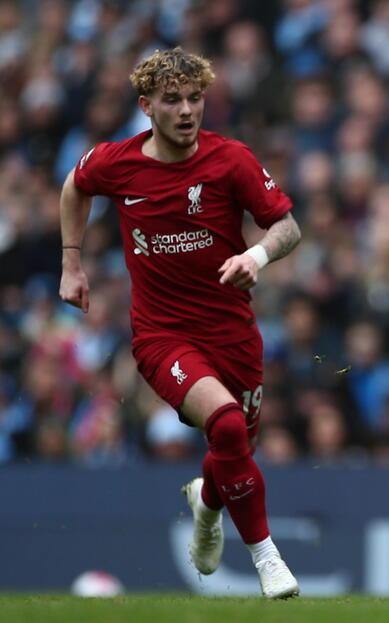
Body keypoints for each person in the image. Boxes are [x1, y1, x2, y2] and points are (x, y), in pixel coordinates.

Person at [58, 48, 301, 599]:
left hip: (233, 334)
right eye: (173, 101)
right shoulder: (116, 162)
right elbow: (74, 187)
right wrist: (71, 264)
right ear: (147, 106)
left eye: (195, 99)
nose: (187, 111)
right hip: (162, 335)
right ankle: (268, 561)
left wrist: (255, 258)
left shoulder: (231, 160)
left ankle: (207, 505)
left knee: (233, 452)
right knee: (228, 427)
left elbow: (287, 227)